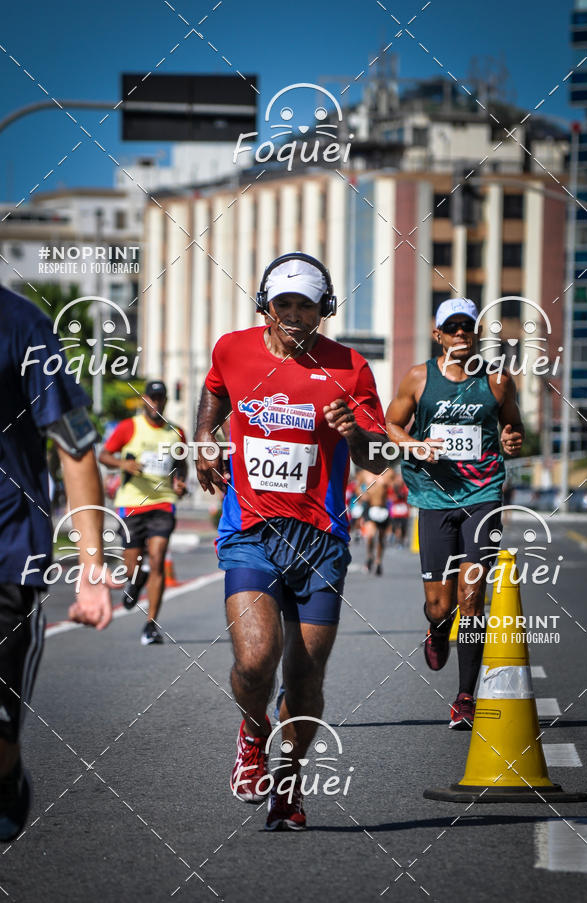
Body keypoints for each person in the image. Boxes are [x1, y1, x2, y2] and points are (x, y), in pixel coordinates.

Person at [194, 252, 387, 831]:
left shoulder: (351, 367)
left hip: (321, 541)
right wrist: (205, 435)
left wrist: (356, 435)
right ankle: (254, 731)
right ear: (267, 307)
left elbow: (376, 456)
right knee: (255, 661)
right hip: (251, 532)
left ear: (324, 310)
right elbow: (215, 392)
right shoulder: (233, 348)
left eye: (307, 305)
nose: (296, 315)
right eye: (285, 305)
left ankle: (289, 781)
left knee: (305, 677)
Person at [0, 285, 114, 841]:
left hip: (7, 556)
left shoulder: (22, 325)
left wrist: (92, 567)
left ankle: (6, 779)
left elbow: (75, 443)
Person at [385, 298, 524, 730]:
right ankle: (437, 629)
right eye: (453, 327)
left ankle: (466, 695)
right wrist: (413, 446)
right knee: (439, 604)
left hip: (483, 496)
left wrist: (510, 438)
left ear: (476, 334)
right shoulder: (419, 378)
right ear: (438, 334)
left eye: (468, 327)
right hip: (432, 498)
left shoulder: (498, 380)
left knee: (471, 596)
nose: (461, 333)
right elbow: (389, 424)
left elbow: (513, 426)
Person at [99, 381, 187, 646]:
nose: (156, 404)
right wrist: (122, 463)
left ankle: (151, 625)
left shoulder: (176, 433)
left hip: (163, 503)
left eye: (160, 399)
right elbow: (104, 455)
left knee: (158, 558)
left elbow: (181, 465)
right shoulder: (129, 427)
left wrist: (180, 483)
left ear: (166, 401)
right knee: (131, 567)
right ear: (144, 400)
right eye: (152, 398)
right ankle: (137, 581)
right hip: (132, 503)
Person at [355, 468, 393, 575]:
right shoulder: (365, 472)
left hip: (382, 507)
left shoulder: (388, 473)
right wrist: (362, 495)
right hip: (369, 506)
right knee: (370, 535)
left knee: (381, 538)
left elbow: (396, 485)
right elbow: (357, 486)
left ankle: (378, 561)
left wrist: (389, 485)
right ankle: (369, 556)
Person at [389, 473, 410, 546]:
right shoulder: (393, 488)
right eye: (398, 479)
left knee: (404, 527)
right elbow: (390, 498)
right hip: (396, 512)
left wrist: (404, 497)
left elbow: (408, 498)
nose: (399, 481)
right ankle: (398, 540)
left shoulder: (405, 488)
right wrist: (396, 497)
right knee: (397, 527)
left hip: (404, 512)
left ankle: (402, 539)